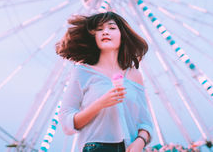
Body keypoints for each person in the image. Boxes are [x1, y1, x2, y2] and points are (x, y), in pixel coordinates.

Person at [56, 11, 153, 152]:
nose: (105, 32)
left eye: (112, 28)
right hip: (96, 147)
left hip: (131, 147)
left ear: (122, 35)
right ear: (94, 37)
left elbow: (145, 122)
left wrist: (140, 141)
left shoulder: (134, 75)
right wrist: (100, 104)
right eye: (99, 29)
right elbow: (67, 122)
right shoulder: (82, 72)